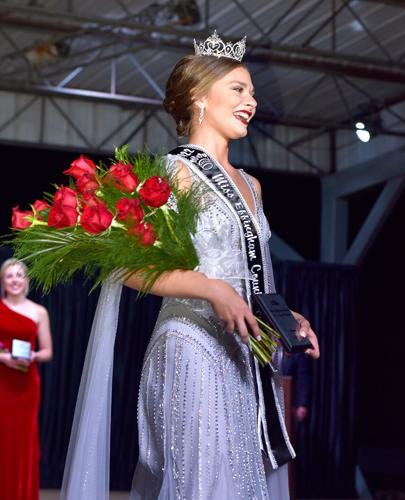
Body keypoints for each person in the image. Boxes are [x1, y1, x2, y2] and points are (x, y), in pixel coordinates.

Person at [61, 32, 320, 500]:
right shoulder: (172, 172)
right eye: (239, 89)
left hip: (244, 356)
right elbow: (130, 269)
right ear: (199, 96)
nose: (252, 101)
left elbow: (251, 277)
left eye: (253, 92)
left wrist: (287, 317)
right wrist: (212, 289)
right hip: (191, 345)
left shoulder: (253, 186)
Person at [0, 258, 53, 500]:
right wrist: (3, 358)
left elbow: (47, 352)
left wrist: (32, 355)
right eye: (9, 276)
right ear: (3, 281)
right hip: (2, 382)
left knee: (22, 442)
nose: (14, 280)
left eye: (19, 275)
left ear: (26, 280)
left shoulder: (39, 311)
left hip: (26, 387)